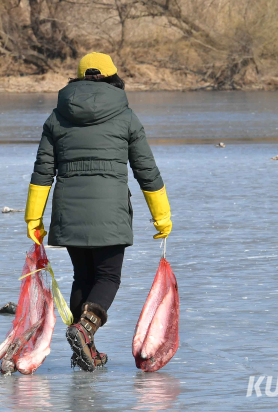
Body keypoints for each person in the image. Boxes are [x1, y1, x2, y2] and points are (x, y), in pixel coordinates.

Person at [23, 52, 172, 372]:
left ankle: (86, 349)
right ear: (113, 78)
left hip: (70, 213)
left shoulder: (57, 117)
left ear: (76, 79)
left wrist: (32, 219)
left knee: (83, 276)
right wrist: (162, 217)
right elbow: (147, 170)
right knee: (108, 276)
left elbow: (42, 172)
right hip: (110, 212)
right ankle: (85, 329)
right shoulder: (126, 116)